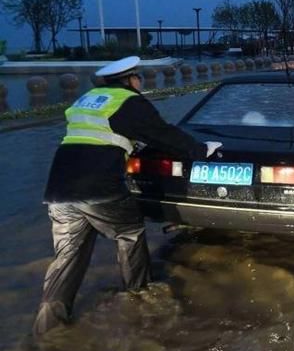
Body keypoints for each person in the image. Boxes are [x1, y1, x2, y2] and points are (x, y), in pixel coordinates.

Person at [33, 56, 221, 336]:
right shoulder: (129, 101)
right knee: (130, 232)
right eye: (138, 79)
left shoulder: (88, 99)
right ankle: (138, 298)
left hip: (59, 189)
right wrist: (199, 150)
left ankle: (48, 326)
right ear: (130, 80)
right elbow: (162, 134)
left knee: (68, 256)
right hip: (98, 187)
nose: (140, 84)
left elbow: (101, 136)